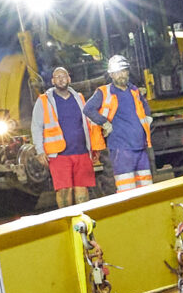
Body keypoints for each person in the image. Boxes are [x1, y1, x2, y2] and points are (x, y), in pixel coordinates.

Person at [32, 61, 104, 207]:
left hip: (81, 151)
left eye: (63, 76)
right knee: (63, 190)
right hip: (59, 155)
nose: (60, 79)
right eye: (57, 76)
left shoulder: (79, 98)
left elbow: (89, 124)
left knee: (82, 189)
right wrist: (40, 151)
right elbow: (36, 127)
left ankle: (82, 220)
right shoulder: (44, 101)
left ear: (69, 79)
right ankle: (67, 220)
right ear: (52, 81)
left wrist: (93, 147)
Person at [87, 55, 155, 193]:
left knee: (147, 188)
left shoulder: (134, 90)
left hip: (140, 147)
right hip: (121, 148)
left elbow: (145, 107)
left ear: (128, 72)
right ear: (111, 74)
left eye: (123, 71)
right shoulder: (104, 92)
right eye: (117, 72)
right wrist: (104, 123)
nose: (121, 75)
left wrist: (148, 119)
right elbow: (88, 109)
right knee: (126, 189)